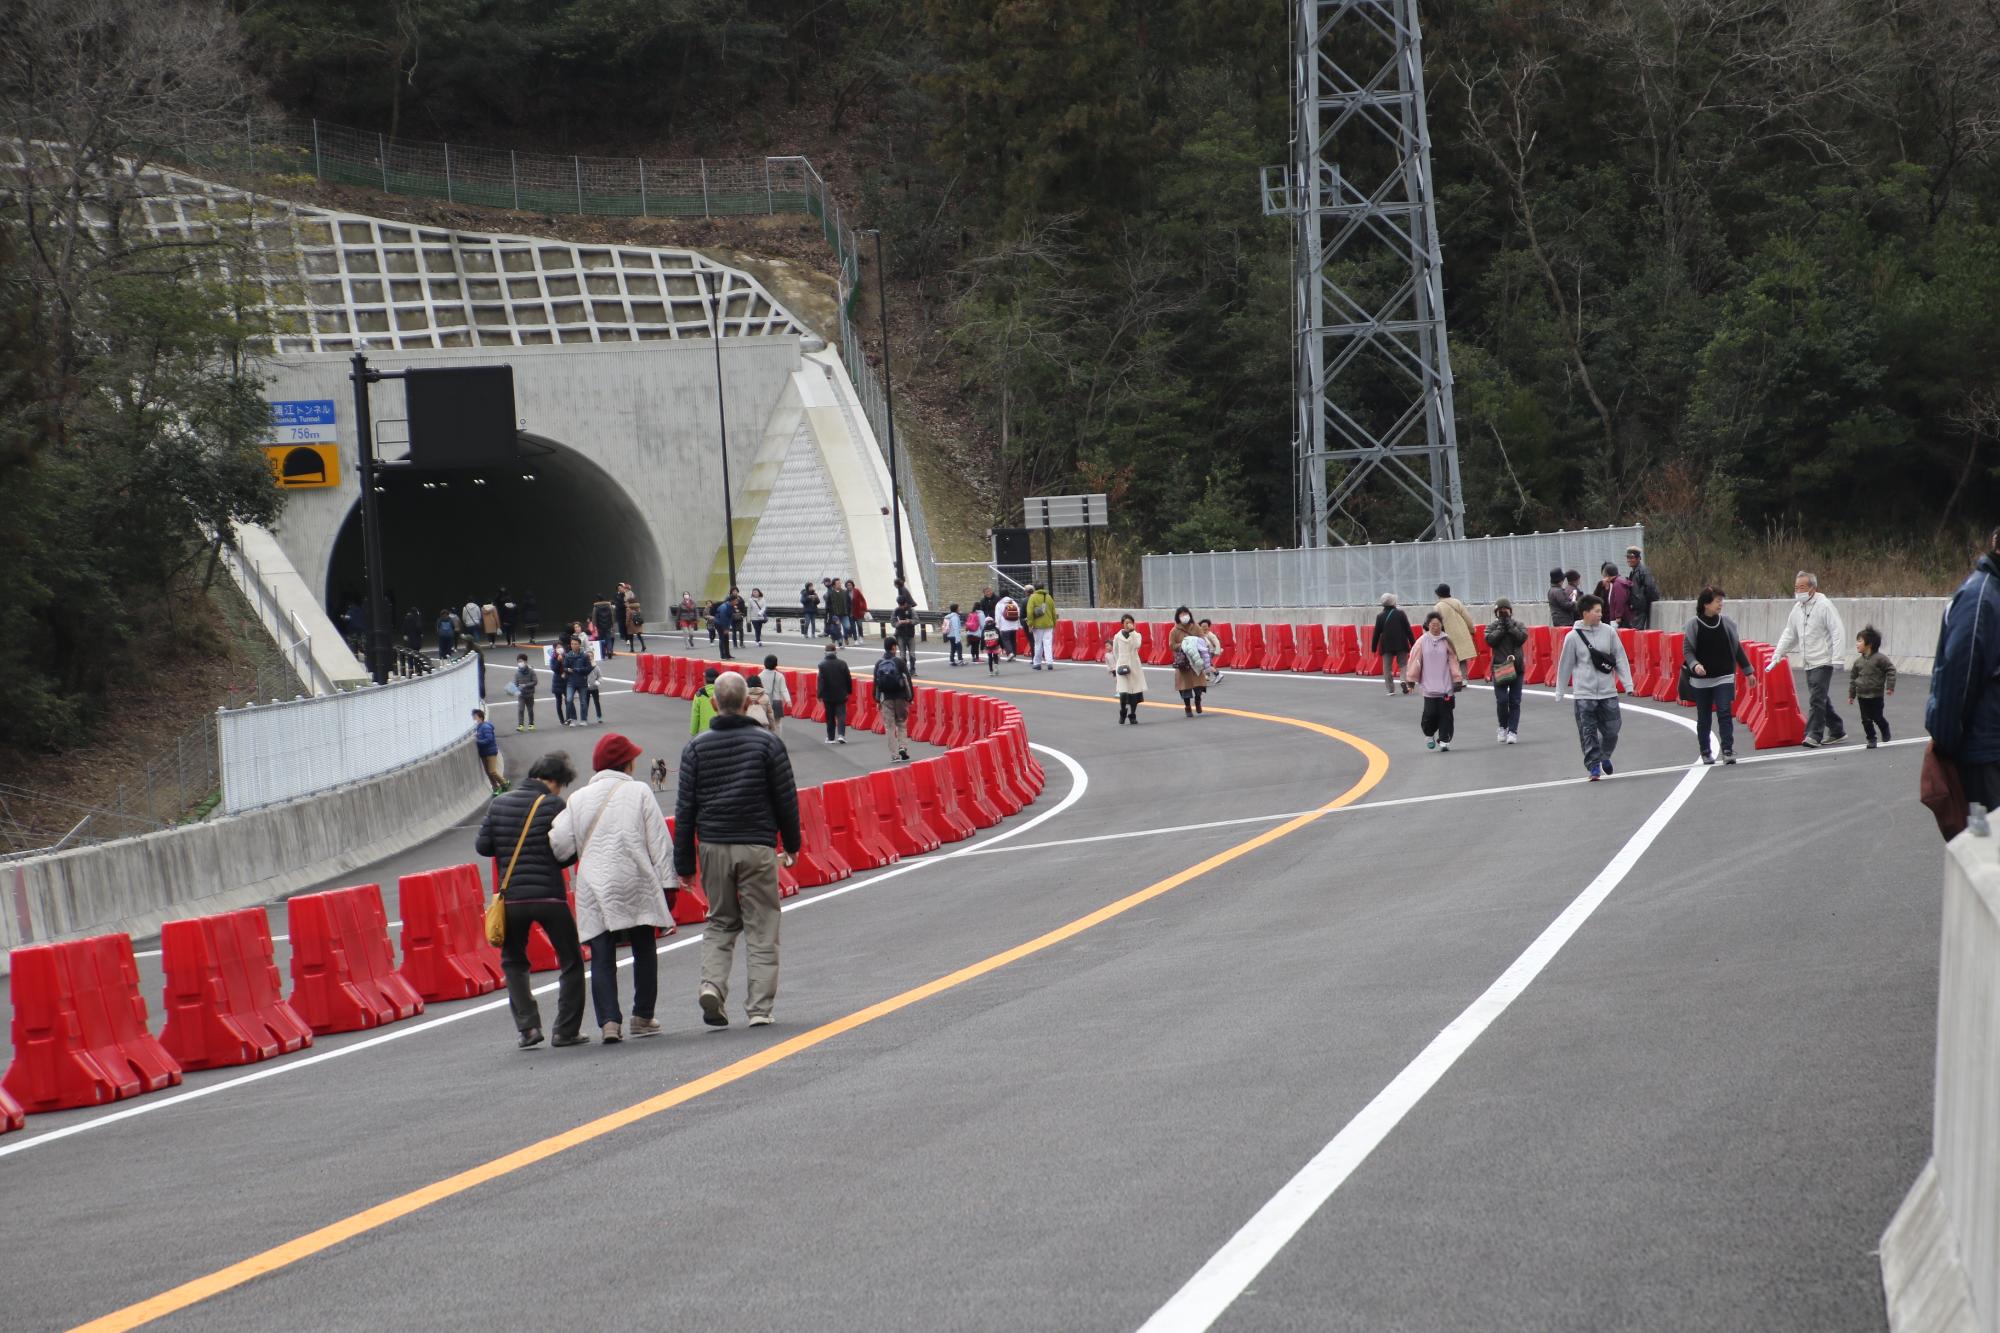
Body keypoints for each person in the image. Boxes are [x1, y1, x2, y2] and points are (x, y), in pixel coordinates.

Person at [677, 671, 802, 1029]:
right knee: (762, 926)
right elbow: (785, 799)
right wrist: (791, 844)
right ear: (747, 703)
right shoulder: (768, 744)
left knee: (720, 921)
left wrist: (684, 863)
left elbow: (685, 810)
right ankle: (759, 1008)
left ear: (715, 704)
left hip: (713, 845)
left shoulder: (695, 748)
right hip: (756, 844)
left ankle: (712, 986)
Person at [550, 732, 675, 1044]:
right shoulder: (640, 791)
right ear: (626, 764)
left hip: (594, 884)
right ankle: (642, 1016)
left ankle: (609, 1022)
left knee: (602, 953)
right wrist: (669, 883)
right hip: (635, 876)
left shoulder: (577, 799)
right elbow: (660, 842)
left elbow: (560, 846)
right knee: (643, 946)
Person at [475, 751, 587, 1049]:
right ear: (555, 781)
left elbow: (483, 846)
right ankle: (566, 1030)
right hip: (549, 896)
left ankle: (528, 1028)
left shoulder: (499, 803)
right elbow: (566, 852)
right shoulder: (553, 805)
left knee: (514, 961)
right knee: (571, 960)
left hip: (511, 899)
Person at [1928, 533, 2000, 807]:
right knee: (1985, 833)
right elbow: (1956, 681)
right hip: (1984, 757)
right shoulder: (1980, 599)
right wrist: (1946, 742)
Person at [1555, 593, 1633, 780]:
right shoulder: (1572, 637)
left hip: (1608, 691)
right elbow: (1565, 665)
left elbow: (1620, 657)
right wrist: (1560, 690)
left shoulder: (1609, 632)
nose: (1600, 614)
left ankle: (1604, 756)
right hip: (1584, 694)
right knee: (1588, 732)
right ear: (1585, 613)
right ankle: (1593, 767)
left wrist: (1627, 683)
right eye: (1596, 611)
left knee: (1613, 729)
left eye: (1601, 611)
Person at [1769, 571, 1850, 748]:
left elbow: (1837, 630)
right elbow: (1790, 633)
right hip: (1808, 661)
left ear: (1813, 588)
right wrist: (1778, 653)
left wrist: (1838, 658)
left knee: (1816, 699)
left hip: (1823, 660)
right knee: (1820, 698)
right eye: (1796, 587)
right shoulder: (1797, 609)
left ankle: (1813, 734)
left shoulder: (1824, 605)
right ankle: (1837, 730)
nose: (1798, 591)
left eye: (1802, 587)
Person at [1683, 586, 1756, 765]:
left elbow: (1736, 648)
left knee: (1724, 712)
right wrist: (1695, 665)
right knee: (1704, 717)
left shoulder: (1726, 623)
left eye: (1721, 601)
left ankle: (1727, 750)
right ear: (1706, 604)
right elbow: (1688, 651)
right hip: (1701, 681)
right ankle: (1705, 751)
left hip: (1724, 676)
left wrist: (1748, 671)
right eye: (1717, 601)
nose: (1720, 604)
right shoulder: (1693, 624)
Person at [1404, 611, 1464, 751]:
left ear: (1442, 625)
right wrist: (1411, 680)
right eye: (1433, 625)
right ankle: (1429, 734)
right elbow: (1415, 661)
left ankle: (1444, 740)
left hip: (1445, 685)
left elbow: (1453, 661)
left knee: (1446, 714)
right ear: (1428, 625)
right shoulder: (1421, 641)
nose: (1435, 627)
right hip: (1428, 685)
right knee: (1430, 714)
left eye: (1438, 625)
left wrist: (1457, 679)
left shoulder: (1447, 640)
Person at [1485, 598, 1528, 744]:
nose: (1503, 613)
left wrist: (1509, 625)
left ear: (1511, 611)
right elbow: (1490, 641)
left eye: (1506, 610)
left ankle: (1512, 731)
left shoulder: (1518, 625)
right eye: (1500, 611)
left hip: (1517, 667)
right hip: (1500, 667)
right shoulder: (1492, 627)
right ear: (1496, 613)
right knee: (1502, 700)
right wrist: (1501, 628)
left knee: (1515, 701)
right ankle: (1502, 727)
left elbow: (1522, 638)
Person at [1850, 626, 1896, 749]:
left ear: (1869, 644)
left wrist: (1890, 686)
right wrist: (1851, 695)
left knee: (1877, 717)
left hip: (1876, 695)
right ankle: (1871, 739)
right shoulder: (1858, 662)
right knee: (1865, 720)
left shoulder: (1880, 658)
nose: (1857, 644)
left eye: (1859, 641)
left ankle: (1884, 727)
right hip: (1862, 696)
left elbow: (1891, 670)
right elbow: (1853, 678)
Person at [875, 639, 913, 762]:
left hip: (886, 699)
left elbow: (876, 683)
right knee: (901, 723)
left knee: (890, 727)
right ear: (893, 647)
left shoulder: (879, 663)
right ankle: (902, 747)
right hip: (900, 697)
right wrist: (910, 697)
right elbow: (907, 680)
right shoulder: (899, 662)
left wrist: (877, 700)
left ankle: (894, 755)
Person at [1169, 606, 1210, 717]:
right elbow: (1172, 645)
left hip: (1196, 660)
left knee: (1199, 685)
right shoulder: (1174, 631)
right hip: (1183, 662)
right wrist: (1183, 645)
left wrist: (1194, 643)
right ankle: (1187, 706)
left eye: (1186, 614)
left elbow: (1202, 640)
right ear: (1178, 617)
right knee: (1185, 687)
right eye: (1181, 614)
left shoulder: (1196, 627)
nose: (1184, 616)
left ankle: (1198, 700)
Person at [1105, 613, 1146, 724]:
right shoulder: (1117, 636)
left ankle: (1132, 714)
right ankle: (1123, 711)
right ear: (1122, 624)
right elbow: (1115, 651)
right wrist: (1120, 662)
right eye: (1126, 623)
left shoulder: (1137, 635)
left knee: (1134, 692)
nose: (1128, 624)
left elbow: (1137, 645)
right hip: (1122, 664)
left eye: (1130, 622)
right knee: (1123, 692)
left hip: (1134, 664)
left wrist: (1132, 632)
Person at [1373, 593, 1416, 696]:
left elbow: (1376, 633)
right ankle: (1403, 680)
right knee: (1403, 664)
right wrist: (1413, 643)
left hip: (1386, 644)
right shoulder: (1401, 614)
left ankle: (1390, 690)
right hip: (1401, 642)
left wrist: (1373, 647)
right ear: (1393, 602)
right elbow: (1408, 630)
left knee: (1387, 667)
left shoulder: (1380, 616)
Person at [1431, 583, 1477, 667]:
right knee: (1462, 660)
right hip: (1461, 635)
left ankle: (1453, 675)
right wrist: (1472, 631)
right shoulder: (1457, 602)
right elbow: (1468, 619)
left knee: (1449, 661)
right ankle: (1463, 675)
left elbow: (1435, 625)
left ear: (1439, 594)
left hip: (1447, 638)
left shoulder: (1437, 607)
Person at [817, 641, 853, 743]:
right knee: (841, 715)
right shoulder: (842, 663)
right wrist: (849, 690)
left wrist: (819, 694)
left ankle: (831, 737)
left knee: (830, 716)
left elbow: (821, 681)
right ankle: (841, 735)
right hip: (841, 693)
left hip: (828, 695)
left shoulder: (822, 665)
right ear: (835, 652)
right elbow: (848, 678)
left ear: (825, 652)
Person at [1625, 547, 1662, 630]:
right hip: (1636, 608)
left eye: (1632, 558)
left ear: (1638, 558)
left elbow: (1650, 587)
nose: (1629, 560)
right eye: (1628, 558)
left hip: (1642, 608)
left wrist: (1644, 601)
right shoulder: (1633, 572)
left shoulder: (1643, 571)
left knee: (1638, 631)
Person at [1025, 582, 1059, 670]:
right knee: (1048, 644)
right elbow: (1053, 611)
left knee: (1038, 644)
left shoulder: (1033, 597)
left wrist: (1030, 624)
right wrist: (1054, 623)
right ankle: (1049, 662)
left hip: (1038, 625)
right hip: (1049, 624)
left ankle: (1037, 663)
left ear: (1035, 588)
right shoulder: (1049, 597)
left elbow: (1029, 612)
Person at [472, 709, 506, 792]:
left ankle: (504, 783)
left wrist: (478, 742)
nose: (474, 718)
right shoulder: (479, 727)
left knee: (492, 771)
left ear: (480, 717)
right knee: (488, 772)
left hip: (490, 752)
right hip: (483, 753)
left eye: (475, 716)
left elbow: (489, 739)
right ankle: (495, 787)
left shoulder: (485, 727)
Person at [561, 637, 593, 726]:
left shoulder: (584, 656)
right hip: (571, 682)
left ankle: (584, 719)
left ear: (579, 645)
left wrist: (578, 670)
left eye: (575, 644)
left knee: (583, 702)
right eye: (572, 644)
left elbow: (589, 668)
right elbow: (564, 667)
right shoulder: (568, 655)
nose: (573, 645)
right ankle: (573, 719)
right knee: (569, 700)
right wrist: (567, 670)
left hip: (582, 682)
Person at [1596, 562, 1635, 628]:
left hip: (1623, 618)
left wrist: (1618, 616)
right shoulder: (1615, 582)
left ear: (1607, 574)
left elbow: (1619, 600)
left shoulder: (1617, 584)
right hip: (1623, 616)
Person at [762, 653, 791, 732]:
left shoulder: (760, 675)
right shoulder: (779, 676)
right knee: (777, 723)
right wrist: (788, 700)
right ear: (776, 664)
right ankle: (777, 737)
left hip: (765, 702)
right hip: (777, 702)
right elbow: (784, 689)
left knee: (766, 722)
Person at [547, 639, 571, 726]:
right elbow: (554, 669)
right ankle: (562, 720)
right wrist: (558, 661)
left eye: (561, 647)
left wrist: (565, 672)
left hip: (566, 681)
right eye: (558, 647)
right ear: (554, 649)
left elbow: (570, 666)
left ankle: (568, 718)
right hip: (557, 681)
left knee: (568, 700)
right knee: (559, 701)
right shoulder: (553, 658)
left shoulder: (566, 656)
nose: (560, 648)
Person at [690, 665, 720, 735]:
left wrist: (693, 731)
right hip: (721, 730)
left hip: (705, 732)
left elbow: (695, 714)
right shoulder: (724, 693)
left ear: (704, 679)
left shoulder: (699, 695)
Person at [512, 652, 538, 731]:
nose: (520, 663)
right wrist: (514, 689)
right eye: (518, 661)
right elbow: (515, 684)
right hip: (521, 695)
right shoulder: (517, 673)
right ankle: (521, 725)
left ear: (526, 662)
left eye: (521, 661)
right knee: (521, 709)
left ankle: (531, 724)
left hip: (530, 694)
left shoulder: (531, 671)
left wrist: (526, 685)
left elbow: (535, 682)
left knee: (530, 710)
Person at [893, 602, 917, 674]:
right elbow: (893, 622)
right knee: (902, 655)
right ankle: (904, 670)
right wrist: (899, 623)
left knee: (912, 654)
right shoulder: (896, 610)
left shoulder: (911, 610)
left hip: (910, 635)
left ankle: (912, 669)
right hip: (900, 635)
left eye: (903, 604)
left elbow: (917, 620)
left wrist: (909, 621)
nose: (902, 606)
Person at [997, 594, 1023, 660]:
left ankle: (1010, 653)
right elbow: (1018, 613)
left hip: (1005, 626)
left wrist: (998, 626)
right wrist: (1018, 624)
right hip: (1014, 625)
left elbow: (998, 616)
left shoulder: (999, 603)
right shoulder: (1014, 602)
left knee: (1005, 639)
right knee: (1013, 640)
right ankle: (1014, 654)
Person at [590, 594, 617, 659]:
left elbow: (594, 617)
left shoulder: (596, 607)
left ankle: (603, 652)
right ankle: (609, 651)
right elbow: (612, 616)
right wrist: (613, 625)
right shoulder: (609, 606)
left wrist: (593, 626)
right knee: (608, 639)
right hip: (608, 625)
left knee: (601, 639)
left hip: (600, 626)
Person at [710, 593, 735, 660]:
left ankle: (727, 654)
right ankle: (722, 655)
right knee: (722, 638)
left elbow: (729, 617)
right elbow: (723, 618)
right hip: (719, 624)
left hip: (724, 624)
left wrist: (728, 627)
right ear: (732, 600)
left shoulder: (731, 606)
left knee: (726, 639)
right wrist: (725, 628)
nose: (737, 601)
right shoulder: (724, 607)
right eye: (736, 600)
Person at [824, 579, 849, 644]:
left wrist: (848, 610)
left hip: (844, 613)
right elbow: (828, 604)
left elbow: (848, 602)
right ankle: (839, 641)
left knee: (847, 627)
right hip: (835, 614)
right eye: (838, 583)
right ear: (834, 585)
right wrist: (829, 614)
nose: (839, 584)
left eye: (840, 583)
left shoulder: (844, 592)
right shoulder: (830, 593)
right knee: (837, 628)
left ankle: (845, 637)